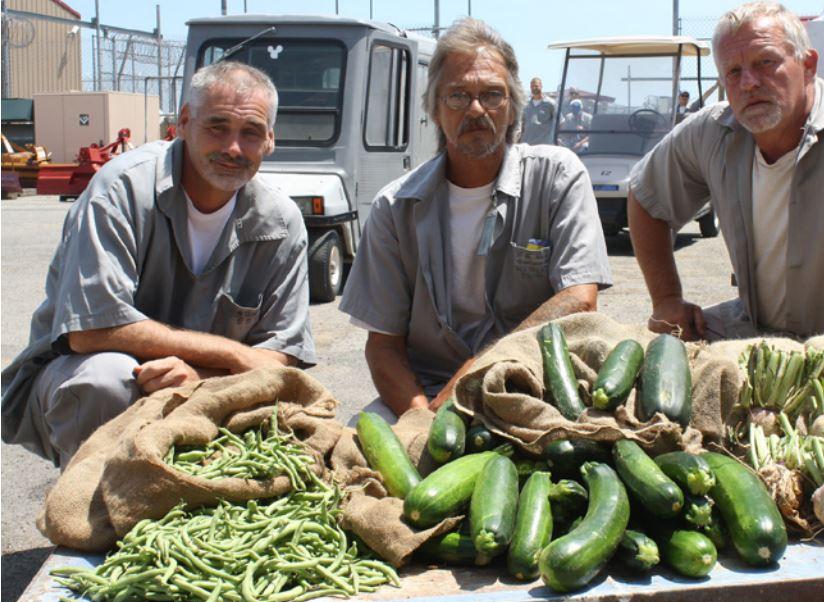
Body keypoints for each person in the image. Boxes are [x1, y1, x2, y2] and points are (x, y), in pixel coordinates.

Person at [0, 61, 316, 467]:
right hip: (91, 381)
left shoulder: (280, 222)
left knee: (285, 407)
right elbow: (89, 331)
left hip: (210, 383)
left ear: (270, 140)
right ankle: (92, 501)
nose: (233, 148)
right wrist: (232, 355)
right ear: (183, 122)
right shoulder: (122, 190)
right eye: (217, 127)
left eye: (250, 133)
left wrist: (199, 379)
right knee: (107, 379)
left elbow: (281, 359)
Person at [339, 18, 612, 418]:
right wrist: (422, 419)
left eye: (492, 94)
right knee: (354, 446)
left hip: (538, 385)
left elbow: (579, 299)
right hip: (428, 391)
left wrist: (476, 371)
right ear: (434, 109)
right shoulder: (394, 207)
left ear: (513, 107)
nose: (476, 109)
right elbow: (383, 347)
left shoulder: (557, 177)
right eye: (457, 95)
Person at [627, 1, 824, 341]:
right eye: (733, 72)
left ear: (808, 65)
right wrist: (666, 299)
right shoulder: (711, 135)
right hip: (760, 337)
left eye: (765, 62)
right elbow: (646, 197)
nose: (749, 83)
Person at [520, 77, 557, 145]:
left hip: (543, 145)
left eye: (536, 86)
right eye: (532, 86)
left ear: (541, 86)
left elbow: (560, 122)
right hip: (527, 144)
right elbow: (521, 123)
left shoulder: (551, 104)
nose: (534, 88)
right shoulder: (525, 104)